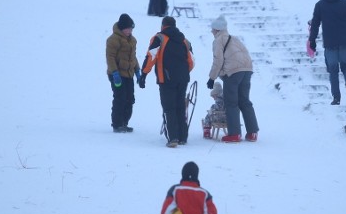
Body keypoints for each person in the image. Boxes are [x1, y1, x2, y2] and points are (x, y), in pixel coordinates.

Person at [139, 16, 194, 148]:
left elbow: (151, 56)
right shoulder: (185, 41)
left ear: (163, 26)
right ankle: (183, 137)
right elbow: (191, 61)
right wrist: (183, 73)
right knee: (180, 107)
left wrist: (144, 74)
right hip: (182, 79)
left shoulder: (159, 38)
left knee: (169, 108)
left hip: (166, 79)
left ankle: (173, 138)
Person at [206, 15, 260, 143]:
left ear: (217, 30)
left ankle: (234, 134)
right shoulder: (234, 39)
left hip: (233, 72)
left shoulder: (218, 40)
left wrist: (211, 78)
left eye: (212, 29)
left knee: (231, 102)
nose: (211, 32)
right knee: (244, 101)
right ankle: (252, 133)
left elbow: (218, 61)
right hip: (247, 70)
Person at [105, 13, 139, 133]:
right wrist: (115, 73)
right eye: (128, 29)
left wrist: (137, 71)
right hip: (117, 75)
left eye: (131, 29)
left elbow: (133, 57)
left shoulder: (132, 40)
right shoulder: (113, 39)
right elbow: (110, 57)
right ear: (122, 28)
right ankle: (117, 124)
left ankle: (124, 122)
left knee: (130, 98)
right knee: (120, 97)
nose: (130, 31)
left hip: (128, 74)